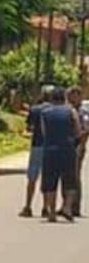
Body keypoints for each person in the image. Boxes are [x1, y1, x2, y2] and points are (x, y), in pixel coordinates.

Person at [40, 87, 80, 222]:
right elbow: (78, 130)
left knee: (50, 182)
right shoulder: (71, 111)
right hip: (67, 149)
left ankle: (51, 212)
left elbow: (44, 132)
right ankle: (67, 207)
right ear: (64, 97)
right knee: (69, 180)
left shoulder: (44, 113)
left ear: (51, 98)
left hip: (50, 150)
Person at [19, 85, 54, 217]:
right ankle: (45, 208)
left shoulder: (35, 109)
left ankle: (28, 206)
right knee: (48, 177)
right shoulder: (56, 110)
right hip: (51, 147)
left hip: (37, 145)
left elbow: (29, 127)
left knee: (32, 178)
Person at [66, 86, 88, 216]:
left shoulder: (83, 111)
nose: (70, 98)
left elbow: (86, 130)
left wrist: (81, 145)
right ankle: (66, 204)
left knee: (74, 176)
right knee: (67, 176)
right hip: (67, 146)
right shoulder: (68, 110)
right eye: (69, 95)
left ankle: (75, 207)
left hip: (77, 146)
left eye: (73, 95)